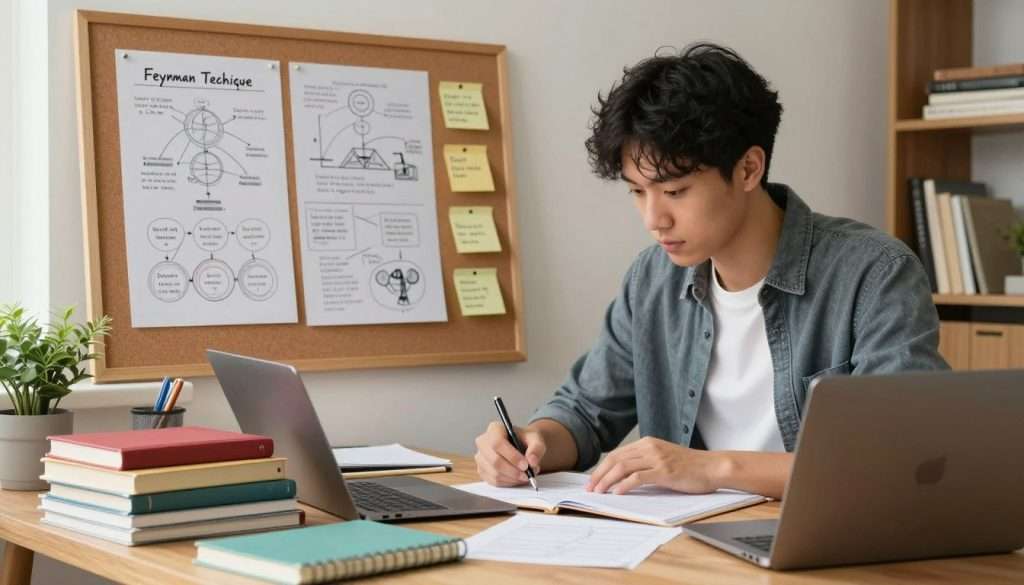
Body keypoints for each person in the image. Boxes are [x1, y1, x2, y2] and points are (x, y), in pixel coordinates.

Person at [473, 42, 947, 500]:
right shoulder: (652, 280)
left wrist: (711, 467)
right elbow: (586, 411)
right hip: (696, 548)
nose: (653, 219)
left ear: (748, 169)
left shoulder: (874, 273)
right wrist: (531, 443)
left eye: (675, 191)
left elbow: (898, 456)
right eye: (637, 192)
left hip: (830, 546)